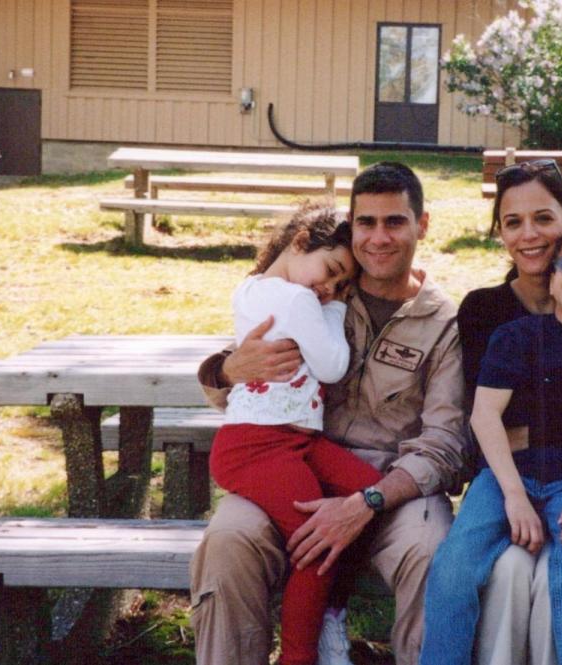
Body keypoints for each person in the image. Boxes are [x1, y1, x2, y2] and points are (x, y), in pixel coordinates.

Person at [190, 162, 469, 665]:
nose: (378, 238)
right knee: (228, 542)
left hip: (391, 488)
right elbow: (242, 381)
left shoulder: (445, 323)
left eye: (395, 222)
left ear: (421, 226)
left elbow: (445, 443)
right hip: (288, 465)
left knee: (432, 554)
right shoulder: (320, 287)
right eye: (366, 223)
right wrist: (227, 369)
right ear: (351, 226)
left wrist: (368, 501)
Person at [421, 226, 562, 665]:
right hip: (507, 477)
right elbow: (484, 416)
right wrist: (514, 496)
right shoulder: (516, 337)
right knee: (454, 567)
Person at [208, 203, 384, 665]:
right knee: (316, 542)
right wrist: (338, 307)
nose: (330, 289)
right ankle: (302, 654)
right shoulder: (298, 300)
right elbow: (332, 364)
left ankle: (328, 614)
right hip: (258, 446)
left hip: (292, 441)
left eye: (342, 284)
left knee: (367, 493)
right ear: (302, 239)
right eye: (331, 271)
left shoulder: (250, 288)